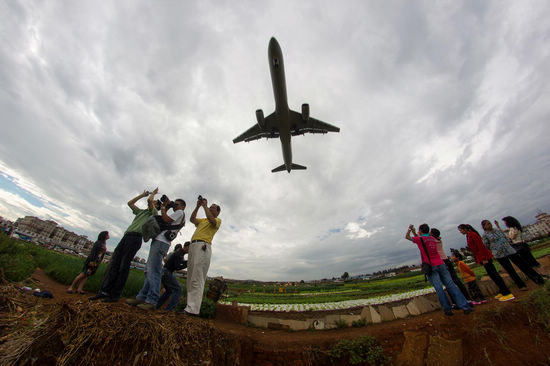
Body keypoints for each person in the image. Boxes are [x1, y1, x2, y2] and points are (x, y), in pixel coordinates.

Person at [89, 189, 159, 302]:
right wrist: (142, 194)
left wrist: (153, 194)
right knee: (115, 264)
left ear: (156, 206)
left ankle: (115, 295)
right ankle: (104, 291)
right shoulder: (141, 212)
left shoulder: (153, 213)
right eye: (154, 201)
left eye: (155, 202)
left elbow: (150, 201)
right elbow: (130, 203)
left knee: (123, 267)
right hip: (126, 236)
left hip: (136, 238)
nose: (153, 202)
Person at [129, 197, 186, 310]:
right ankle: (141, 297)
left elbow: (165, 219)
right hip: (160, 241)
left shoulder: (180, 212)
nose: (175, 206)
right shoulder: (178, 213)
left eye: (177, 204)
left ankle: (152, 300)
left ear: (183, 206)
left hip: (161, 242)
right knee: (150, 270)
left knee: (153, 271)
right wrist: (168, 206)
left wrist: (164, 207)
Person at [406, 224, 472, 316]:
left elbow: (408, 237)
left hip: (431, 266)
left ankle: (447, 309)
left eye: (418, 230)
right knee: (451, 285)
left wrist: (410, 230)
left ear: (420, 231)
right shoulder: (432, 239)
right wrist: (414, 231)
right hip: (441, 263)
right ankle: (465, 306)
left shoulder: (420, 239)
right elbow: (419, 237)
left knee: (439, 288)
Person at [183, 196, 221, 316]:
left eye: (213, 208)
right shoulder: (202, 220)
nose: (210, 208)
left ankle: (193, 309)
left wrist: (204, 206)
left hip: (203, 246)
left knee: (197, 277)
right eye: (210, 207)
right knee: (190, 276)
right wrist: (198, 206)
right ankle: (189, 307)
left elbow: (212, 220)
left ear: (218, 212)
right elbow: (192, 219)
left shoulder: (217, 220)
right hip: (193, 245)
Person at [457, 224, 515, 301]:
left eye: (460, 230)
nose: (460, 232)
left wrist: (484, 258)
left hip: (485, 257)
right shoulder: (468, 236)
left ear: (464, 229)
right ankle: (502, 290)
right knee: (492, 275)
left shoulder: (473, 235)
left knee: (494, 274)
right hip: (481, 257)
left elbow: (480, 246)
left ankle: (507, 293)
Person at [481, 220, 544, 289]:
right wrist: (493, 252)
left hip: (509, 250)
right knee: (510, 270)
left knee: (523, 265)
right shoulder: (485, 235)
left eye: (490, 223)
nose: (490, 225)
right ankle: (521, 286)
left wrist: (498, 227)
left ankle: (538, 280)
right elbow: (486, 245)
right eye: (487, 224)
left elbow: (504, 236)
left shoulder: (497, 230)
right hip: (499, 254)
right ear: (484, 227)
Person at [430, 228, 472, 306]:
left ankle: (455, 302)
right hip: (446, 260)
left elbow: (422, 238)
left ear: (432, 234)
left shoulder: (432, 240)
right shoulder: (439, 240)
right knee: (456, 280)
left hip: (441, 262)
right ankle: (467, 299)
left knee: (448, 282)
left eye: (430, 232)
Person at [156, 242, 189, 311]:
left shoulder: (180, 253)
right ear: (186, 247)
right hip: (167, 272)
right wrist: (187, 264)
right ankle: (170, 309)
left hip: (165, 272)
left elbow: (180, 263)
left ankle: (157, 305)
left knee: (169, 291)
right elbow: (177, 267)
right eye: (190, 248)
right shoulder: (179, 254)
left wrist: (186, 262)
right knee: (179, 289)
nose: (190, 251)